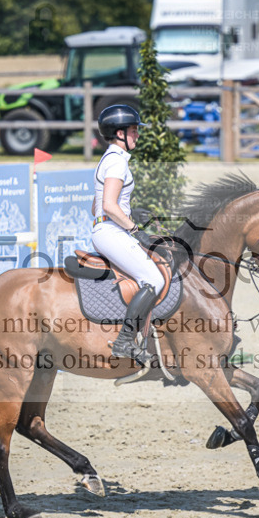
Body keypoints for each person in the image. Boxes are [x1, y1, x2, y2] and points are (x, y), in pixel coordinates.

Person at [90, 104, 163, 366]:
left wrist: (131, 212)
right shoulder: (117, 162)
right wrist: (134, 229)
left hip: (106, 228)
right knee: (154, 279)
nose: (137, 135)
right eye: (133, 131)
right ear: (119, 133)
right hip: (111, 231)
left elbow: (95, 205)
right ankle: (124, 340)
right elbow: (109, 205)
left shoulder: (108, 159)